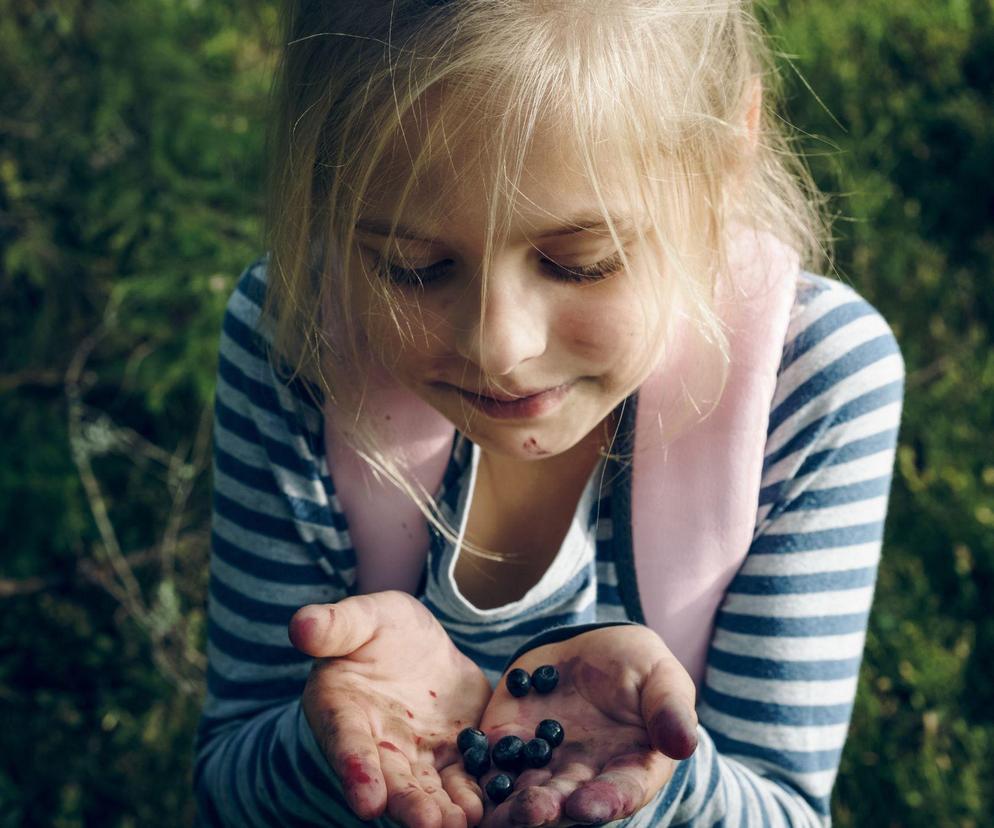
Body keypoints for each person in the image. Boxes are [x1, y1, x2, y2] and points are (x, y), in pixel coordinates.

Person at [193, 2, 905, 826]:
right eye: (414, 268)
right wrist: (333, 748)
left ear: (726, 156)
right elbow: (226, 782)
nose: (499, 346)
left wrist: (660, 782)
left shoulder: (806, 379)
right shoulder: (297, 335)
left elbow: (786, 808)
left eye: (581, 264)